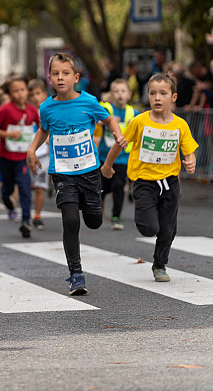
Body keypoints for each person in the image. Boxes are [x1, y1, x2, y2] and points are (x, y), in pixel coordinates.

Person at [27, 52, 127, 296]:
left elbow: (108, 118)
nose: (60, 78)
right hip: (62, 173)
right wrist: (32, 149)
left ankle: (88, 202)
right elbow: (43, 129)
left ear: (76, 77)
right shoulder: (47, 107)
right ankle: (76, 274)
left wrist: (116, 133)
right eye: (56, 74)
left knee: (93, 221)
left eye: (66, 73)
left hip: (89, 171)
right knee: (70, 221)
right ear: (49, 78)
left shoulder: (89, 101)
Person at [101, 73, 198, 283]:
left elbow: (189, 149)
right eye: (152, 93)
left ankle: (160, 265)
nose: (157, 97)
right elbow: (119, 143)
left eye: (163, 93)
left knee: (168, 230)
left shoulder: (180, 125)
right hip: (144, 182)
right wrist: (107, 166)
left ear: (173, 97)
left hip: (170, 182)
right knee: (149, 228)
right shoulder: (140, 121)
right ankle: (146, 219)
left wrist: (190, 160)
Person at [0, 76, 39, 238]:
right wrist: (8, 134)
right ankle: (6, 196)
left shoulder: (31, 110)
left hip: (23, 157)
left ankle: (26, 221)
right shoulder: (5, 110)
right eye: (15, 91)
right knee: (8, 187)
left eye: (22, 90)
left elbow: (42, 128)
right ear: (9, 94)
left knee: (25, 187)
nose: (20, 94)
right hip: (5, 156)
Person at [94, 79, 138, 230]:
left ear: (129, 94)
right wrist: (107, 121)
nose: (120, 94)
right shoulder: (106, 108)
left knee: (119, 186)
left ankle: (116, 217)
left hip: (124, 158)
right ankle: (98, 210)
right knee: (102, 187)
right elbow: (95, 118)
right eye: (117, 91)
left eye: (123, 91)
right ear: (112, 94)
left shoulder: (134, 112)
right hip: (104, 157)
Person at [27, 79, 50, 230]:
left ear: (44, 94)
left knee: (40, 186)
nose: (35, 97)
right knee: (31, 186)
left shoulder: (49, 110)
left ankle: (37, 215)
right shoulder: (27, 112)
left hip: (46, 154)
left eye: (38, 93)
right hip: (29, 154)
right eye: (32, 95)